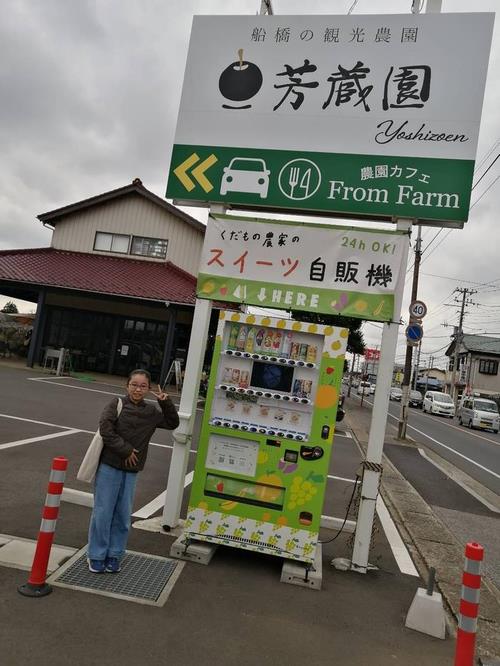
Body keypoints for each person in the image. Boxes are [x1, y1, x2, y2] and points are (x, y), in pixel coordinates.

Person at [87, 369, 179, 573]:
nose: (138, 389)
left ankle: (114, 555)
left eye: (143, 386)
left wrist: (165, 402)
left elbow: (173, 423)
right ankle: (96, 555)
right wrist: (126, 450)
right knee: (102, 513)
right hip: (109, 465)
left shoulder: (151, 412)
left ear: (148, 389)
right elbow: (106, 429)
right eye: (134, 385)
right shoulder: (116, 404)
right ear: (126, 386)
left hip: (131, 470)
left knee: (122, 515)